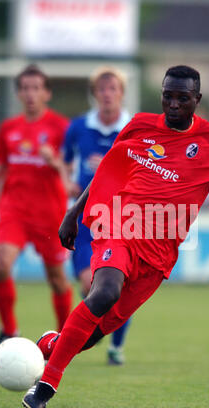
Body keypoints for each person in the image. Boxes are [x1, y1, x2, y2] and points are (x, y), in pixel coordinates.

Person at [22, 65, 209, 408]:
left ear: (197, 99)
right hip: (118, 226)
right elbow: (110, 167)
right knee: (104, 290)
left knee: (93, 335)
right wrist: (74, 213)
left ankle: (51, 345)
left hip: (158, 255)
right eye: (168, 96)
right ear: (162, 94)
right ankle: (47, 384)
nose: (174, 104)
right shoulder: (139, 125)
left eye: (183, 98)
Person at [0, 65, 73, 344]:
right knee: (1, 265)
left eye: (36, 88)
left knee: (57, 279)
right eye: (25, 88)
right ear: (18, 93)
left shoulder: (61, 127)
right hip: (14, 210)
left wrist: (55, 162)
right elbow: (1, 167)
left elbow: (70, 171)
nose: (30, 94)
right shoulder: (8, 128)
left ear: (46, 93)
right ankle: (9, 332)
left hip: (49, 214)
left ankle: (66, 337)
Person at [62, 67, 131, 365]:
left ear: (121, 93)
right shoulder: (78, 127)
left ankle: (115, 346)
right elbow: (65, 165)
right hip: (85, 219)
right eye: (101, 89)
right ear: (94, 94)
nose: (107, 94)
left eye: (112, 88)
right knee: (88, 285)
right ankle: (88, 336)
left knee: (115, 287)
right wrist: (69, 184)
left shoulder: (133, 129)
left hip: (120, 217)